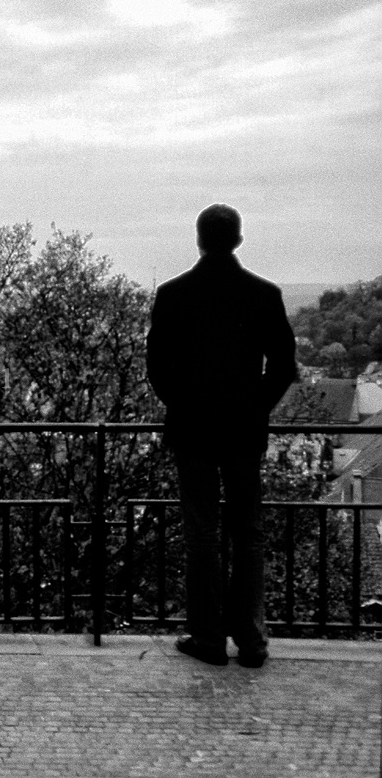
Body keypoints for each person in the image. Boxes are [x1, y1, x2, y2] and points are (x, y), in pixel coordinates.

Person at [147, 203, 297, 668]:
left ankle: (208, 638)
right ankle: (251, 641)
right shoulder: (264, 294)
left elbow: (157, 368)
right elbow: (284, 367)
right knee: (248, 536)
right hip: (243, 431)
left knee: (202, 537)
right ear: (239, 239)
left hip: (193, 430)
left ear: (198, 238)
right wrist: (256, 409)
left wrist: (184, 405)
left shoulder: (173, 294)